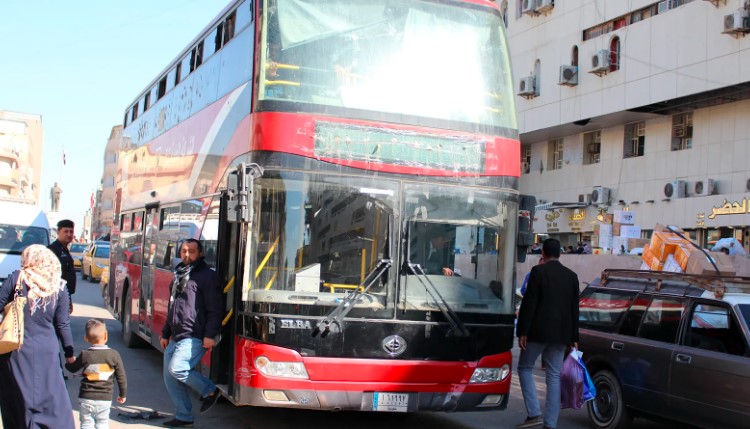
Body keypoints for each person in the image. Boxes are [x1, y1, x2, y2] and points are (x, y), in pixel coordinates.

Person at [0, 245, 76, 429]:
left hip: (15, 348)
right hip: (47, 351)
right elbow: (63, 324)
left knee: (17, 398)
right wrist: (69, 353)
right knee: (51, 396)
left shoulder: (17, 278)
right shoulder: (59, 285)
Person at [515, 238, 579, 429]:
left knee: (524, 367)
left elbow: (530, 303)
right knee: (553, 376)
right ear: (560, 254)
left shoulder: (538, 272)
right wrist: (574, 337)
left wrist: (523, 331)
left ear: (543, 253)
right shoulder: (572, 276)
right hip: (561, 335)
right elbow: (574, 309)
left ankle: (534, 413)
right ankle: (550, 424)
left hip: (537, 332)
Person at [160, 239, 223, 427]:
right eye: (184, 251)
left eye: (192, 251)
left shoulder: (207, 276)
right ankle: (184, 416)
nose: (187, 254)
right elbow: (173, 307)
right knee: (170, 378)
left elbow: (215, 309)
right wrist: (165, 333)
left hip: (195, 335)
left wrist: (210, 335)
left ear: (201, 253)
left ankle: (210, 390)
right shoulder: (179, 274)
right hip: (176, 335)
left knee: (177, 368)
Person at [66, 318, 127, 429]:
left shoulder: (85, 355)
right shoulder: (114, 355)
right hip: (105, 399)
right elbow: (121, 377)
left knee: (86, 424)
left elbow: (72, 368)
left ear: (86, 338)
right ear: (106, 336)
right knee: (102, 424)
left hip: (86, 397)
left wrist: (69, 362)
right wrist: (122, 394)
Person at [48, 219, 77, 313]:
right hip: (55, 297)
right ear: (58, 232)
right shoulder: (52, 250)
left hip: (64, 296)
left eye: (71, 232)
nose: (69, 234)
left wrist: (69, 299)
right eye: (66, 231)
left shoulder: (65, 250)